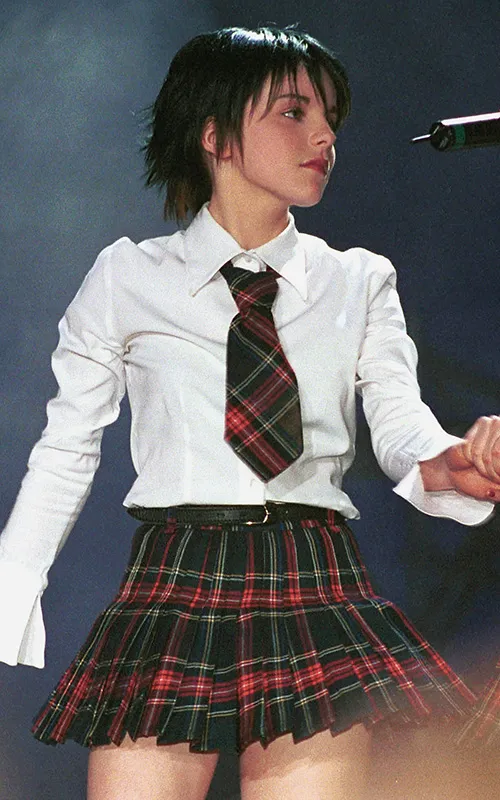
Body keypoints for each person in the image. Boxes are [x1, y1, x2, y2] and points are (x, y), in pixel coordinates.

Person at [0, 25, 498, 800]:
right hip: (175, 575)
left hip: (312, 577)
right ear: (216, 135)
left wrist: (453, 464)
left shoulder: (359, 279)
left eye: (329, 117)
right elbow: (67, 449)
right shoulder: (128, 276)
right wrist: (10, 592)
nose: (325, 135)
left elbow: (402, 427)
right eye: (294, 112)